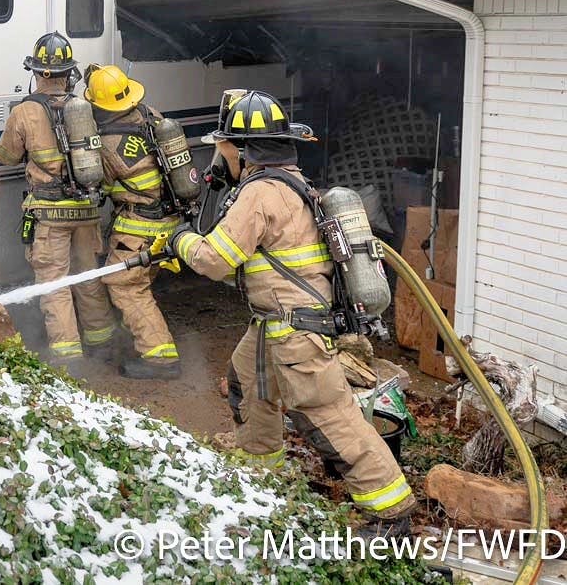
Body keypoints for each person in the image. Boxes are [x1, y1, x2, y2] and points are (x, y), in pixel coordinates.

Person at [170, 89, 416, 534]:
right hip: (272, 323)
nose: (218, 157)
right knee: (247, 385)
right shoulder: (288, 182)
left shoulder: (261, 193)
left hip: (296, 329)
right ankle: (259, 478)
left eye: (223, 147)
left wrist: (180, 240)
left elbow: (213, 261)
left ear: (242, 149)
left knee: (328, 417)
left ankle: (392, 514)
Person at [0, 33, 118, 362]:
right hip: (87, 209)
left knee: (55, 285)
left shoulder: (25, 111)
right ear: (68, 73)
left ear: (35, 72)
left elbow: (4, 156)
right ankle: (102, 341)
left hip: (50, 215)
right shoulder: (85, 107)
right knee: (88, 277)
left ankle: (68, 356)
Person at [83, 64, 183, 379]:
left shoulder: (107, 143)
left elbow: (102, 185)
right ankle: (139, 337)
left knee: (125, 286)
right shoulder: (150, 116)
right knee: (140, 282)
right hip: (169, 219)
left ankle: (160, 358)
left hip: (139, 225)